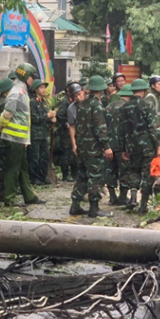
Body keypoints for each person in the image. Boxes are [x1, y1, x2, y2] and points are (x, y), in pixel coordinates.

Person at [0, 63, 44, 207]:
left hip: (20, 137)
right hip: (14, 137)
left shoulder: (22, 90)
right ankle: (9, 198)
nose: (33, 80)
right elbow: (8, 112)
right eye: (31, 76)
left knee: (23, 168)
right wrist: (1, 125)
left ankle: (29, 196)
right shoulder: (17, 92)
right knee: (13, 168)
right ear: (25, 76)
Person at [70, 75, 114, 218]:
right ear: (101, 89)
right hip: (93, 148)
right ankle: (94, 208)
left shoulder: (83, 104)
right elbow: (100, 128)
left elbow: (79, 126)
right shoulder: (97, 105)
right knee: (95, 176)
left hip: (83, 146)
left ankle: (75, 205)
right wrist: (106, 146)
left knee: (82, 176)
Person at [120, 79, 160, 213]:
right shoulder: (147, 105)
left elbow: (122, 129)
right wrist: (159, 146)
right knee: (147, 174)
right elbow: (153, 127)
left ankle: (133, 196)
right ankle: (143, 205)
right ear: (145, 90)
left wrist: (124, 148)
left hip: (132, 146)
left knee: (134, 171)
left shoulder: (125, 107)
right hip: (147, 146)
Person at [28, 79, 56, 185]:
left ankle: (42, 176)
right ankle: (34, 178)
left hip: (43, 134)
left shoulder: (43, 102)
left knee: (44, 156)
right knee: (35, 157)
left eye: (44, 87)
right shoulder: (32, 102)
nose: (43, 90)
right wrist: (47, 116)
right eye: (41, 88)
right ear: (36, 89)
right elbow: (34, 118)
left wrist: (51, 119)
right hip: (35, 134)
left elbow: (45, 118)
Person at [104, 82, 128, 205]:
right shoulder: (128, 108)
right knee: (124, 170)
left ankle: (112, 196)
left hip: (109, 145)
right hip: (122, 146)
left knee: (110, 170)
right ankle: (123, 196)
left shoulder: (109, 107)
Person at [66, 82, 88, 214]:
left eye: (79, 95)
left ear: (84, 92)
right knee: (84, 172)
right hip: (82, 141)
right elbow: (72, 126)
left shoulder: (91, 104)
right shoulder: (71, 109)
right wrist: (74, 144)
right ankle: (78, 200)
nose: (78, 98)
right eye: (75, 96)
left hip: (94, 142)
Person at [55, 82, 78, 181]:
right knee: (66, 152)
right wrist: (66, 123)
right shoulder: (65, 101)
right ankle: (65, 174)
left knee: (74, 153)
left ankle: (74, 173)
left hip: (74, 130)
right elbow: (60, 115)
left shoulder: (75, 100)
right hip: (65, 131)